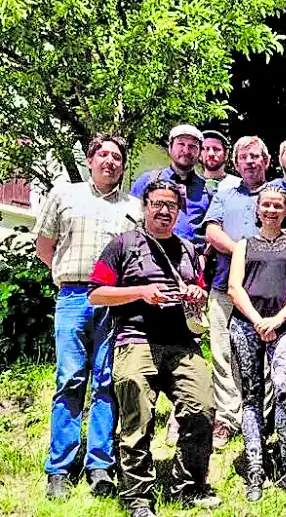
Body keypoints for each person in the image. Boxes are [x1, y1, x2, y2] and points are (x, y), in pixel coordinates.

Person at [87, 180, 220, 517]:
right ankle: (138, 499)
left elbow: (201, 290)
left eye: (171, 206)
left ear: (179, 211)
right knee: (138, 421)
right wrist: (140, 292)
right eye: (158, 204)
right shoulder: (122, 246)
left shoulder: (188, 249)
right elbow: (96, 294)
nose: (164, 211)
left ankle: (188, 486)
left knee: (202, 409)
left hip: (182, 343)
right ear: (145, 206)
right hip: (135, 340)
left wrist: (197, 294)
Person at [33, 134, 142, 500]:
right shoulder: (65, 195)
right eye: (104, 155)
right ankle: (60, 468)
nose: (110, 161)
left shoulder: (134, 206)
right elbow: (44, 246)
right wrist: (68, 275)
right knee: (69, 379)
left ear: (123, 165)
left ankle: (100, 465)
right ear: (90, 159)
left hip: (114, 303)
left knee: (107, 383)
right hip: (73, 298)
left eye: (117, 156)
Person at [228, 186, 286, 501]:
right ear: (258, 209)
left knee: (285, 390)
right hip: (245, 324)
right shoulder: (244, 245)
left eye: (278, 205)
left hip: (285, 325)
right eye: (266, 205)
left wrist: (277, 320)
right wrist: (257, 320)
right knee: (251, 397)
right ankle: (255, 470)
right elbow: (235, 287)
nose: (272, 210)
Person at [203, 135, 272, 447]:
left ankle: (265, 416)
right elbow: (211, 230)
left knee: (266, 355)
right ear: (236, 163)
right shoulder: (225, 194)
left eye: (256, 156)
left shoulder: (278, 194)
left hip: (268, 290)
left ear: (267, 161)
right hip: (223, 286)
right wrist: (242, 253)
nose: (250, 161)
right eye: (244, 157)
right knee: (223, 353)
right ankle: (227, 418)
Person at [131, 124, 210, 252]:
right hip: (150, 259)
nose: (186, 150)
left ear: (200, 152)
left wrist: (204, 257)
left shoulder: (208, 190)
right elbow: (130, 223)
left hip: (192, 263)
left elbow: (213, 232)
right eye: (181, 144)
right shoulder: (147, 181)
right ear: (169, 147)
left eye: (192, 146)